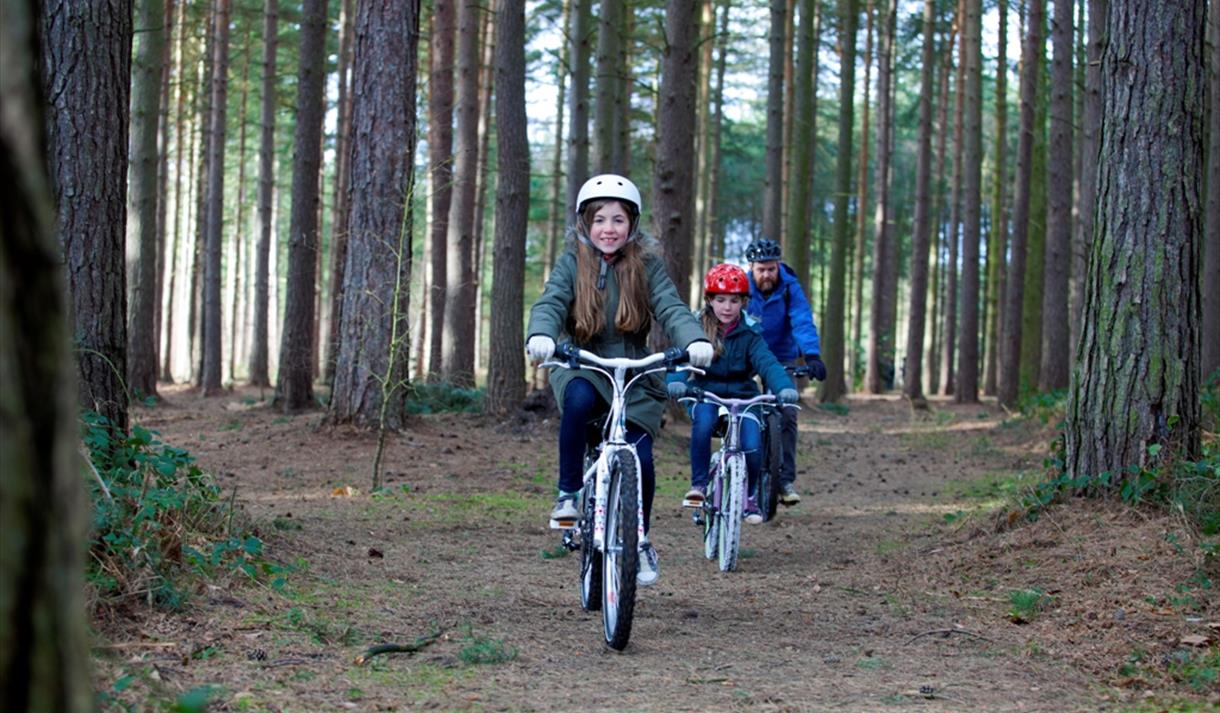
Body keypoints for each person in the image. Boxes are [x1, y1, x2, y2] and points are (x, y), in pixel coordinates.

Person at [525, 174, 713, 587]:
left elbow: (672, 307)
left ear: (632, 225)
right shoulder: (572, 261)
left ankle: (639, 539)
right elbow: (552, 300)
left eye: (618, 220)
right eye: (599, 220)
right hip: (583, 360)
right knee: (576, 400)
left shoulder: (646, 265)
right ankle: (569, 492)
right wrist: (541, 334)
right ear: (584, 224)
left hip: (633, 370)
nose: (608, 229)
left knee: (641, 460)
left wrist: (695, 339)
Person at [667, 264, 797, 524]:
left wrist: (784, 386)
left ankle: (749, 497)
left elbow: (767, 362)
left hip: (744, 396)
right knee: (703, 425)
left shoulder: (751, 333)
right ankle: (699, 486)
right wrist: (676, 380)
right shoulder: (697, 329)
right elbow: (683, 360)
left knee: (752, 445)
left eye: (734, 301)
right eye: (721, 300)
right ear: (709, 300)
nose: (727, 307)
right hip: (706, 393)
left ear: (744, 302)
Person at [743, 238, 827, 506]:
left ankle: (785, 480)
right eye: (761, 269)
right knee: (740, 407)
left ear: (778, 266)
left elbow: (801, 319)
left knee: (788, 411)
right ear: (752, 268)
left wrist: (811, 354)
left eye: (771, 268)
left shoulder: (790, 288)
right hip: (747, 354)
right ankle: (737, 471)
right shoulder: (741, 287)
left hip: (781, 356)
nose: (766, 274)